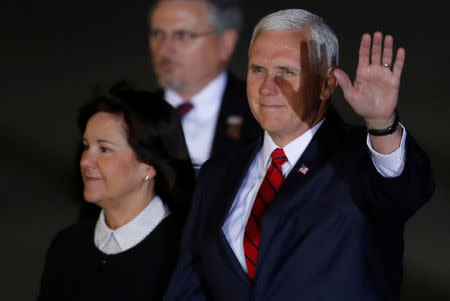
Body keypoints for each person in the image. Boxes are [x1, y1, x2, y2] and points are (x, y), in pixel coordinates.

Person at [162, 9, 435, 301]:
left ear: (327, 84)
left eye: (286, 72)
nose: (267, 87)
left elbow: (403, 193)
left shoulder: (360, 158)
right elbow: (189, 284)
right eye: (258, 70)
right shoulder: (218, 171)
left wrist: (382, 125)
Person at [37, 89, 195, 300]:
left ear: (149, 166)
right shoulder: (66, 246)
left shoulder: (187, 253)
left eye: (104, 149)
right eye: (86, 146)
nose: (85, 161)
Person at [148, 0, 261, 171]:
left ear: (226, 42)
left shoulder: (260, 115)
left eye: (182, 35)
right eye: (158, 34)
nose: (164, 49)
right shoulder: (129, 117)